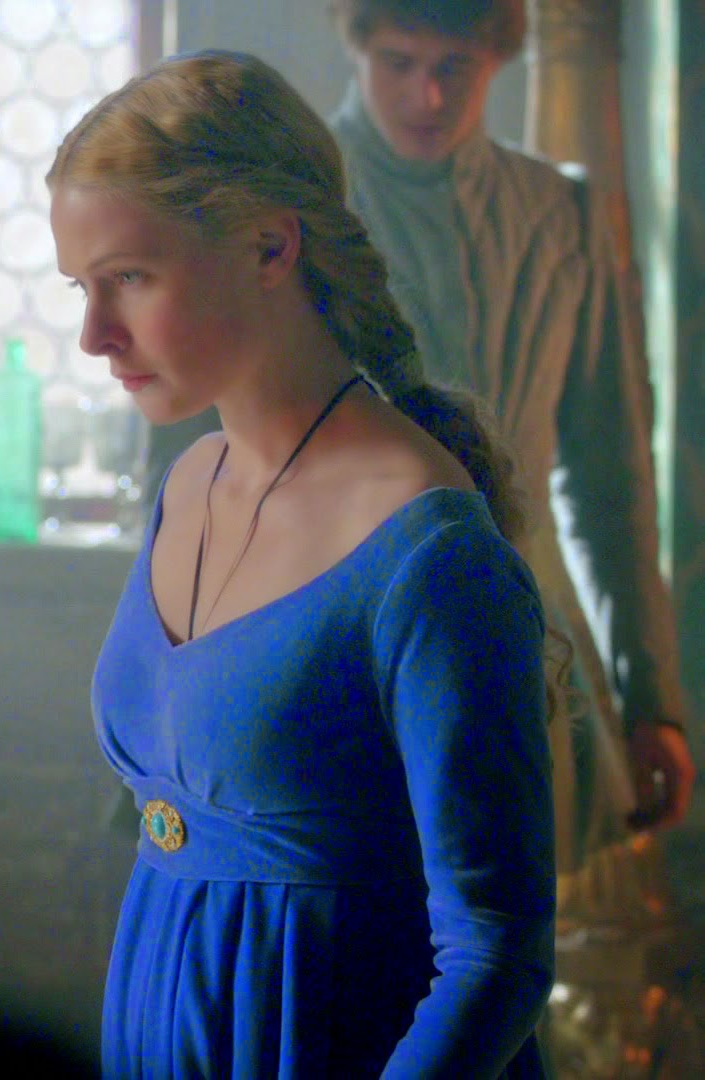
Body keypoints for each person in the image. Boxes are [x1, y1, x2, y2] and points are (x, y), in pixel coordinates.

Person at [47, 49, 556, 1077]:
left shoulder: (426, 553)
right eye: (79, 289)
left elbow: (496, 954)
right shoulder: (189, 483)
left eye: (129, 279)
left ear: (270, 246)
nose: (94, 335)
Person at [326, 0, 695, 903]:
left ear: (495, 59)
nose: (427, 95)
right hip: (339, 632)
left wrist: (649, 697)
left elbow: (608, 482)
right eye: (400, 62)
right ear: (359, 45)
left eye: (452, 67)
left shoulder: (560, 213)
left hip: (522, 643)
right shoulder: (297, 208)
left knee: (507, 942)